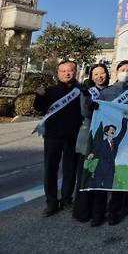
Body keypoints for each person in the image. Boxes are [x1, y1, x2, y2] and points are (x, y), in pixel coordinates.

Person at [90, 60, 128, 225]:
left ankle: (113, 212)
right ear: (117, 71)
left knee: (118, 178)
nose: (125, 72)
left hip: (127, 140)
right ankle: (98, 213)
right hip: (107, 138)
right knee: (101, 178)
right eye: (122, 69)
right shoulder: (107, 92)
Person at [33, 61, 83, 217]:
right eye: (63, 71)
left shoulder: (82, 90)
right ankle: (51, 202)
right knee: (50, 169)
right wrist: (39, 96)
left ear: (75, 72)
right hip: (52, 137)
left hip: (73, 136)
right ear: (58, 73)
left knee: (70, 169)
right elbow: (39, 108)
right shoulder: (49, 91)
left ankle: (67, 198)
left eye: (70, 70)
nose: (67, 73)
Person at [73, 63, 110, 225]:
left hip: (105, 140)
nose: (99, 76)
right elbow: (84, 113)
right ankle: (82, 212)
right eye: (96, 74)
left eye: (102, 73)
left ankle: (98, 214)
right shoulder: (87, 92)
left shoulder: (113, 92)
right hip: (88, 139)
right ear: (91, 76)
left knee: (101, 178)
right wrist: (89, 104)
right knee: (85, 176)